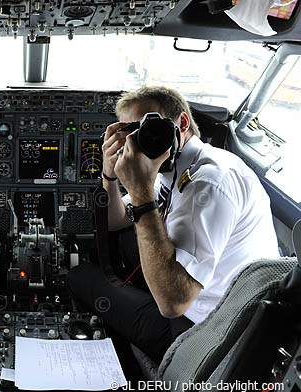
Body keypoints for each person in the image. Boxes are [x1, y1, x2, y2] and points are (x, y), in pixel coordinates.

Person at [68, 86, 280, 362]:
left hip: (205, 331)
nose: (136, 142)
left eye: (146, 127)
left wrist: (141, 191)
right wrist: (109, 176)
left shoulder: (209, 183)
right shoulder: (173, 163)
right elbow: (115, 220)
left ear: (180, 123)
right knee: (126, 239)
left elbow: (173, 304)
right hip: (211, 302)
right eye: (127, 132)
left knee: (80, 276)